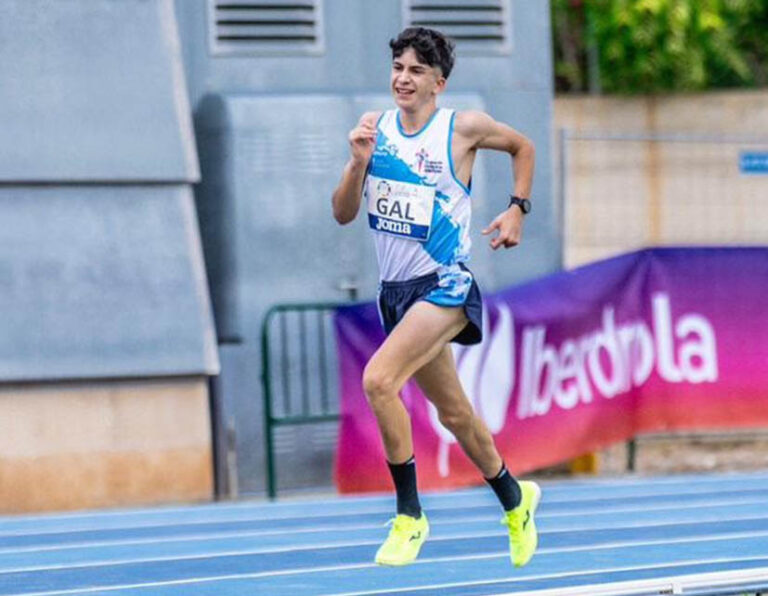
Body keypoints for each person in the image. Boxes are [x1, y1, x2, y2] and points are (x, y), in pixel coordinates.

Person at [331, 27, 540, 568]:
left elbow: (524, 146)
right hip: (395, 296)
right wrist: (357, 163)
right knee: (456, 414)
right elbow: (342, 213)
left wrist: (518, 206)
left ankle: (409, 516)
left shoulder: (461, 128)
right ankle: (516, 502)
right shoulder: (375, 131)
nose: (403, 78)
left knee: (378, 381)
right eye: (398, 67)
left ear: (438, 83)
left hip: (445, 286)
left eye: (416, 71)